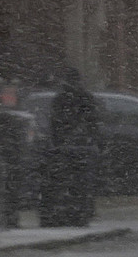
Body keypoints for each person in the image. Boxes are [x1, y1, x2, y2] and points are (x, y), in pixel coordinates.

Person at [42, 65, 101, 228]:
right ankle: (81, 212)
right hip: (82, 147)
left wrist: (59, 141)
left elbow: (55, 123)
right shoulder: (84, 97)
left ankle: (74, 210)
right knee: (83, 182)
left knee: (69, 181)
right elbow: (93, 121)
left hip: (67, 147)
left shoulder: (62, 98)